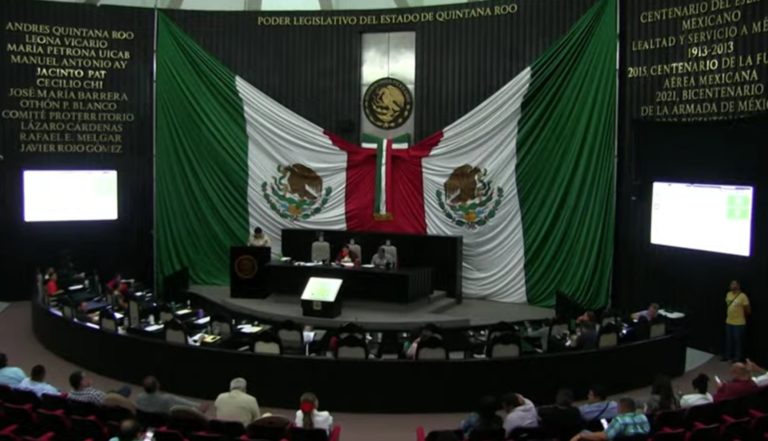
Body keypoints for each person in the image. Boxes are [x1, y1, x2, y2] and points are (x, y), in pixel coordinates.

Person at [570, 397, 650, 441]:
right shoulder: (643, 417)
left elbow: (605, 437)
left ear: (621, 408)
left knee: (583, 435)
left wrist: (582, 435)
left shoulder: (619, 420)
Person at [136, 376, 204, 414]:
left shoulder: (139, 397)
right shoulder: (167, 398)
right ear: (157, 386)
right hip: (161, 422)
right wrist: (198, 406)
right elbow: (183, 403)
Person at [724, 280, 750, 362]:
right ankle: (728, 356)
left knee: (738, 342)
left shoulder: (743, 296)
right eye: (731, 284)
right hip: (729, 322)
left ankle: (737, 358)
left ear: (738, 286)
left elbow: (748, 310)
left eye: (734, 284)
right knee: (729, 340)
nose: (732, 285)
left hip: (739, 323)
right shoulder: (728, 294)